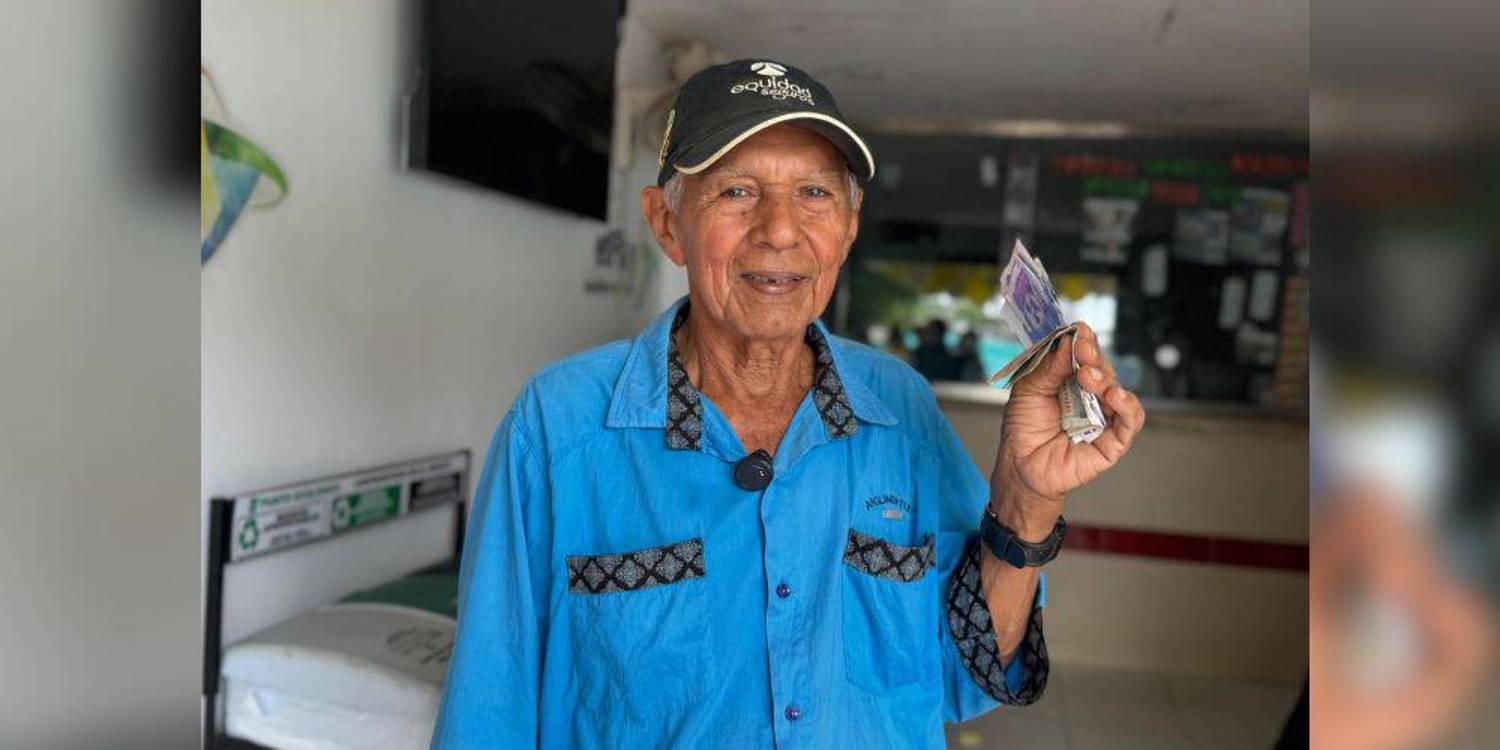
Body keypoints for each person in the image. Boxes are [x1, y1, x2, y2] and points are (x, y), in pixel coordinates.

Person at [430, 58, 1145, 748]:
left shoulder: (900, 409)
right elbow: (489, 708)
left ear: (849, 227)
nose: (779, 229)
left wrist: (1027, 503)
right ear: (667, 223)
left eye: (814, 193)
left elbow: (966, 674)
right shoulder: (558, 426)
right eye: (737, 191)